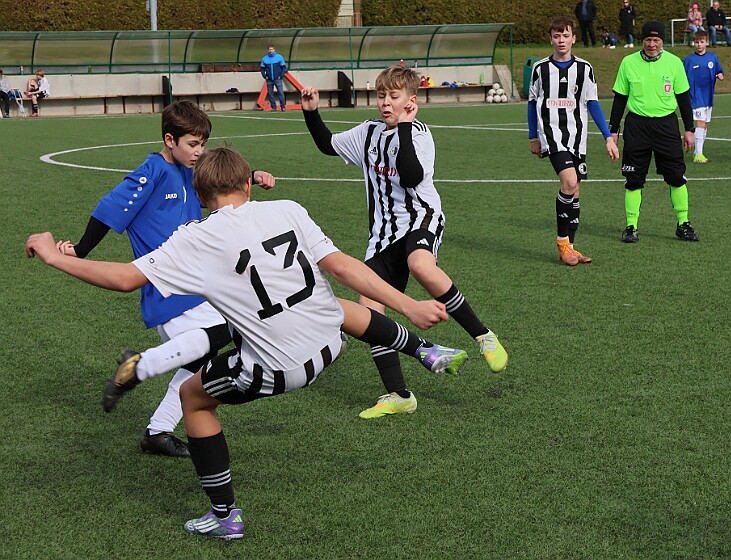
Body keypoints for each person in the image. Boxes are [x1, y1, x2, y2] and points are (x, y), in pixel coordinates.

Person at [26, 146, 469, 540]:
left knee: (192, 396)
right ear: (247, 185)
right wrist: (408, 305)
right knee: (331, 303)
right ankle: (423, 349)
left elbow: (125, 279)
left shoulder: (194, 238)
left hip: (277, 370)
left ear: (199, 197)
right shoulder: (288, 209)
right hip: (331, 346)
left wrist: (51, 256)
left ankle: (225, 516)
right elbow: (343, 267)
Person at [56, 101, 272, 457]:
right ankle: (140, 365)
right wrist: (79, 250)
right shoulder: (151, 171)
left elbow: (218, 181)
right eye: (192, 144)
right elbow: (108, 210)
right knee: (233, 327)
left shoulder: (188, 169)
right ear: (170, 140)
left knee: (201, 360)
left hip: (196, 281)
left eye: (203, 144)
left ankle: (157, 431)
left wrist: (255, 174)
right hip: (168, 283)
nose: (199, 152)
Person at [301, 65, 508, 418]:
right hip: (383, 234)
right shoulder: (368, 132)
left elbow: (412, 177)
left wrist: (407, 127)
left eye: (393, 97)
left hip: (420, 219)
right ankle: (399, 395)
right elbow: (327, 144)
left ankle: (483, 336)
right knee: (371, 312)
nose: (385, 102)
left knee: (420, 264)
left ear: (411, 102)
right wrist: (311, 112)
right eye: (381, 96)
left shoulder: (420, 134)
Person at [528, 16, 620, 266]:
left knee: (576, 190)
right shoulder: (540, 69)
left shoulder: (584, 68)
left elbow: (592, 103)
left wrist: (608, 137)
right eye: (556, 36)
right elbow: (532, 103)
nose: (561, 40)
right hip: (552, 136)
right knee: (568, 182)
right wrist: (533, 136)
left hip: (577, 138)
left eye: (565, 35)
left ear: (573, 38)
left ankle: (571, 246)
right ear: (551, 39)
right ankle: (562, 245)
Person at [609, 20, 700, 244]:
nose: (652, 44)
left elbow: (683, 98)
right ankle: (631, 227)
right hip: (637, 126)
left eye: (656, 40)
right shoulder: (628, 62)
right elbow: (620, 99)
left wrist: (689, 129)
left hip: (666, 126)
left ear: (662, 41)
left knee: (676, 177)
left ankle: (683, 224)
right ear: (642, 41)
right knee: (633, 179)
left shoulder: (674, 63)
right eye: (648, 40)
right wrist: (613, 130)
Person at [684, 30, 725, 163]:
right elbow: (681, 77)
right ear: (693, 43)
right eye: (697, 42)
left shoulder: (713, 58)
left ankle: (697, 152)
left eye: (702, 42)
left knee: (705, 124)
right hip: (695, 96)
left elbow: (719, 70)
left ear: (707, 42)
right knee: (700, 122)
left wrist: (720, 75)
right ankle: (699, 154)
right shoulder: (689, 60)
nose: (699, 45)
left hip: (708, 96)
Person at [260, 45, 287, 112]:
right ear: (268, 50)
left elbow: (283, 67)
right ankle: (274, 107)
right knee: (270, 94)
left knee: (280, 93)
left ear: (274, 50)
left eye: (272, 49)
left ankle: (283, 107)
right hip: (269, 79)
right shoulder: (264, 58)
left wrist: (281, 76)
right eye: (269, 49)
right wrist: (264, 76)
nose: (270, 51)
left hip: (277, 78)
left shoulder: (279, 57)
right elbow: (262, 68)